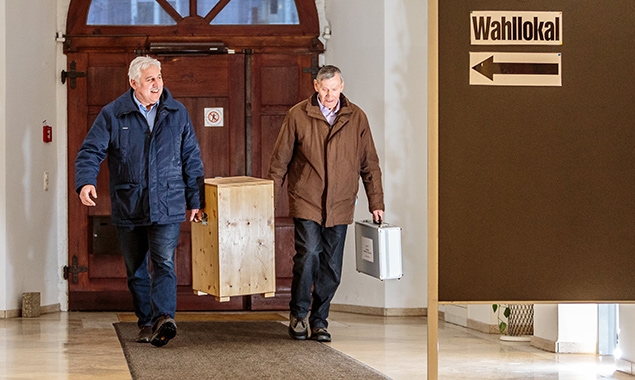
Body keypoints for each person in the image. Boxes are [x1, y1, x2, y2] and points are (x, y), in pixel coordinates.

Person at [75, 56, 205, 347]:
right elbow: (90, 151)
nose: (157, 84)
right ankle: (145, 321)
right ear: (134, 83)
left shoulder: (178, 112)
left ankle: (163, 319)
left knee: (163, 263)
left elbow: (191, 159)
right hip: (129, 203)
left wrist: (196, 200)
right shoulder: (113, 114)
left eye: (159, 77)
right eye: (150, 79)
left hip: (169, 203)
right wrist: (85, 182)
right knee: (136, 269)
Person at [267, 65, 385, 342]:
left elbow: (370, 164)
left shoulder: (357, 117)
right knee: (308, 255)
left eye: (335, 89)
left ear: (341, 86)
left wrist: (375, 202)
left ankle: (319, 321)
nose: (330, 94)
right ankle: (298, 314)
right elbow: (279, 162)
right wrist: (268, 201)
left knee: (331, 265)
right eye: (325, 89)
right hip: (306, 198)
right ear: (316, 87)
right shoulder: (298, 114)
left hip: (342, 202)